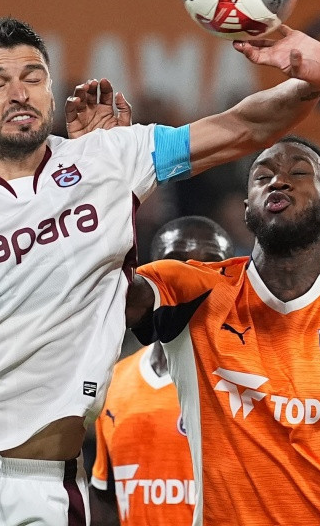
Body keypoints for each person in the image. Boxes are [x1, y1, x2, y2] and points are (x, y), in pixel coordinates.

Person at [0, 15, 320, 525]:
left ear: (50, 89)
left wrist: (312, 76)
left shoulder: (110, 160)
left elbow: (244, 126)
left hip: (37, 487)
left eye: (33, 77)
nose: (19, 94)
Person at [130, 137, 320, 525]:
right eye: (262, 177)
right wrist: (104, 179)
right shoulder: (193, 291)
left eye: (298, 172)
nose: (278, 182)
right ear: (247, 207)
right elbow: (108, 291)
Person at [89, 216, 234, 526]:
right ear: (149, 275)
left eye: (209, 265)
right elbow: (106, 499)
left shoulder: (250, 384)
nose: (187, 278)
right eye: (174, 263)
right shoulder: (113, 380)